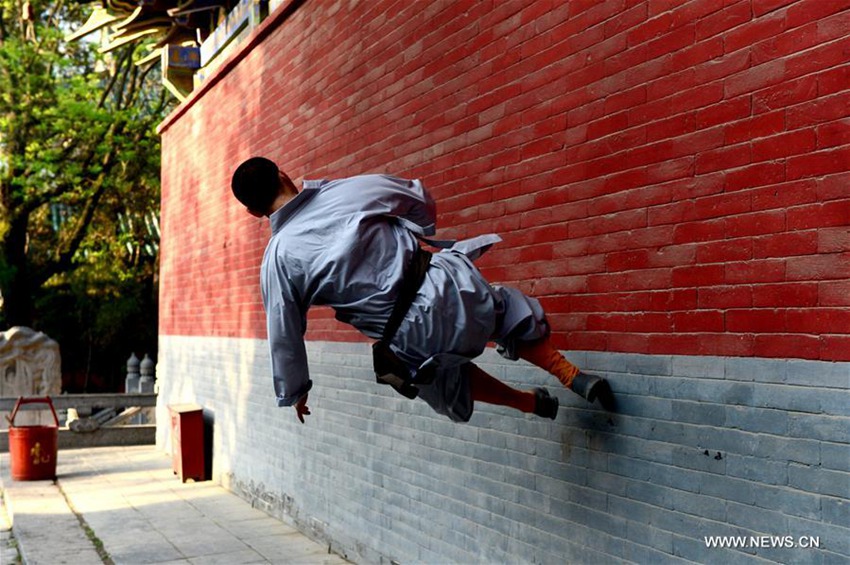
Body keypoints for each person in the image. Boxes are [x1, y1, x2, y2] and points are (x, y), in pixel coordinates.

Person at [231, 157, 613, 424]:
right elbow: (415, 195)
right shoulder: (344, 192)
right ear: (283, 174)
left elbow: (284, 332)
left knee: (442, 379)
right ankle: (568, 373)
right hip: (443, 285)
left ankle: (528, 404)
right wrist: (421, 230)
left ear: (253, 213)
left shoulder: (278, 259)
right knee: (501, 312)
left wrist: (296, 390)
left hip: (408, 338)